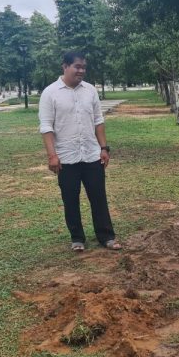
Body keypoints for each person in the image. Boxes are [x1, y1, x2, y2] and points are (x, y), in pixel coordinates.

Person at [38, 52, 121, 252]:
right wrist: (52, 156)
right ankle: (77, 238)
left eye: (84, 67)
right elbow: (46, 127)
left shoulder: (90, 90)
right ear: (65, 66)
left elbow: (98, 121)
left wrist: (103, 148)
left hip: (92, 154)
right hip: (66, 158)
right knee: (70, 200)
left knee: (98, 197)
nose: (81, 71)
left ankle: (106, 236)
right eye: (77, 66)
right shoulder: (50, 93)